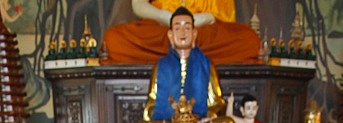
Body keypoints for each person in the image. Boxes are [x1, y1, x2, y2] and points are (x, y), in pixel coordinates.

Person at [102, 0, 261, 66]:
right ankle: (176, 50)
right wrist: (164, 16)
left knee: (249, 40)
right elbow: (138, 4)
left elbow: (224, 12)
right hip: (163, 28)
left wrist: (206, 17)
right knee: (115, 39)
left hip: (203, 30)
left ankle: (180, 51)